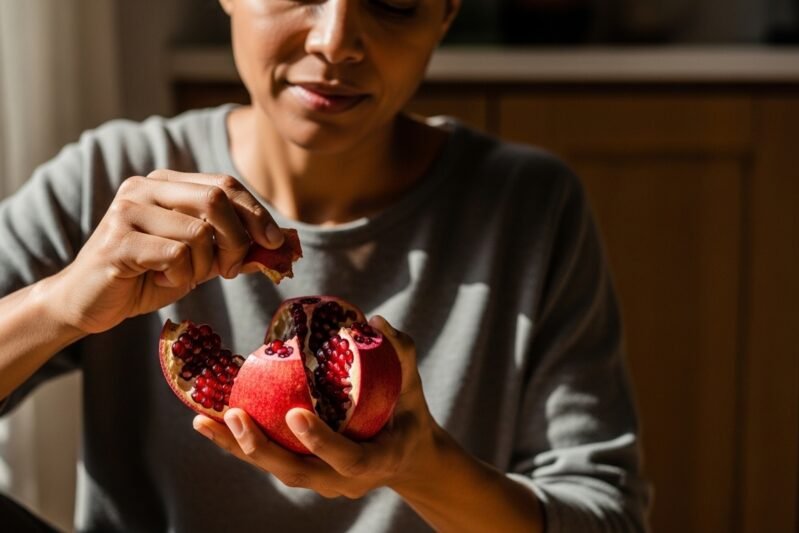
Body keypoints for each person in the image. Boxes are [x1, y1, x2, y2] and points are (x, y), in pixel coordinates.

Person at [0, 0, 650, 531]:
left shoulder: (531, 209)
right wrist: (59, 305)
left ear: (446, 12)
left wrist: (423, 466)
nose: (336, 41)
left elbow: (608, 518)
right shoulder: (110, 183)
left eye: (393, 3)